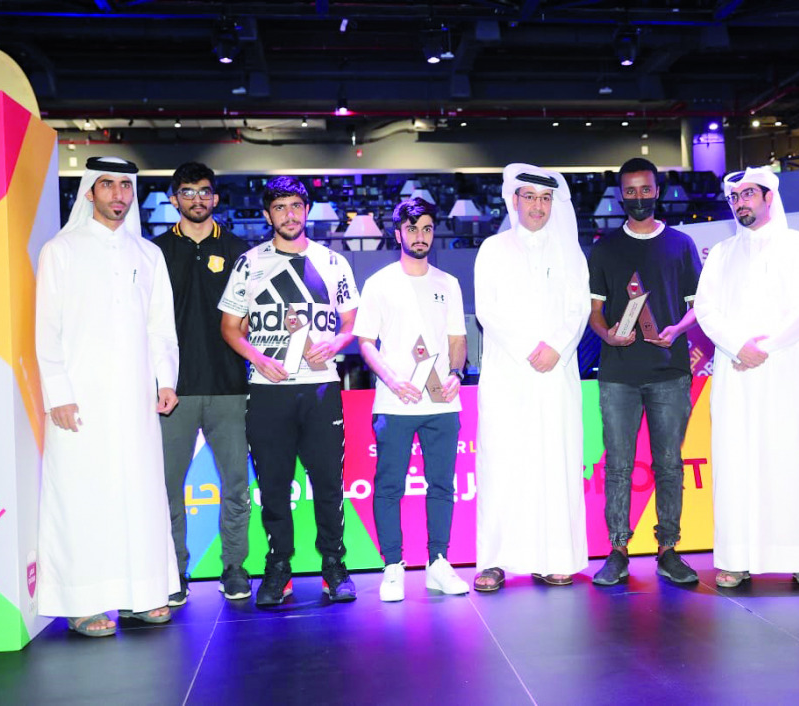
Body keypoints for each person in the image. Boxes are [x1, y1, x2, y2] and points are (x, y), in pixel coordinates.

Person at [34, 156, 180, 637]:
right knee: (83, 496)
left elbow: (161, 327)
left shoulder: (148, 254)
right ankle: (83, 602)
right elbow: (46, 328)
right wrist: (58, 393)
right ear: (89, 192)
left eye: (125, 185)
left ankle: (143, 595)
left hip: (136, 400)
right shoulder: (61, 250)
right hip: (80, 400)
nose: (118, 194)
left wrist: (165, 380)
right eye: (108, 185)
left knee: (140, 496)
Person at [219, 176, 360, 605]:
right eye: (280, 207)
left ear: (307, 210)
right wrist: (257, 359)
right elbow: (230, 327)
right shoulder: (249, 264)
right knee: (274, 486)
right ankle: (278, 567)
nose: (289, 214)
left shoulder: (333, 262)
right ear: (268, 215)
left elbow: (351, 322)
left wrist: (336, 343)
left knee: (328, 483)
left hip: (320, 389)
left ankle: (334, 565)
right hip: (269, 390)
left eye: (296, 205)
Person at [695, 167, 799, 589]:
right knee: (735, 462)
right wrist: (738, 346)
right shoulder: (721, 254)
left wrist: (762, 349)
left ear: (769, 197)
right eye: (734, 197)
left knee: (788, 459)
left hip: (784, 370)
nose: (740, 203)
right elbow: (706, 309)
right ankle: (736, 559)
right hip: (735, 373)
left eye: (748, 194)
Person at [473, 163, 591, 591]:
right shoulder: (493, 248)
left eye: (545, 199)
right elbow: (487, 309)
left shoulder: (570, 252)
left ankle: (555, 558)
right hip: (509, 374)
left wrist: (556, 347)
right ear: (514, 201)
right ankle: (496, 561)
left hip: (556, 374)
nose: (538, 206)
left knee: (555, 463)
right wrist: (530, 348)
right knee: (503, 462)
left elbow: (579, 308)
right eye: (530, 198)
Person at [587, 157, 702, 586]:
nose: (639, 197)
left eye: (645, 189)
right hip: (618, 375)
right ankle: (618, 550)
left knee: (669, 465)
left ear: (658, 191)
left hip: (670, 372)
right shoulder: (604, 248)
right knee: (618, 467)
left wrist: (677, 330)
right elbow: (594, 312)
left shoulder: (681, 244)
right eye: (630, 191)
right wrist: (608, 335)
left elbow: (698, 307)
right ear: (621, 195)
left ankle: (668, 549)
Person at [354, 197, 470, 602]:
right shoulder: (379, 283)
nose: (420, 236)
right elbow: (365, 342)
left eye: (427, 229)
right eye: (412, 228)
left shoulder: (448, 283)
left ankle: (438, 562)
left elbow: (457, 339)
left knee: (441, 485)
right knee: (389, 486)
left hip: (442, 401)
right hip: (395, 401)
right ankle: (392, 567)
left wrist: (456, 374)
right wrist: (392, 379)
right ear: (398, 232)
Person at [152, 162, 252, 604]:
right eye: (188, 192)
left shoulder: (239, 251)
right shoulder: (153, 252)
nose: (197, 199)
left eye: (205, 191)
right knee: (167, 488)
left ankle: (234, 567)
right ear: (174, 198)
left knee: (236, 484)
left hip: (230, 386)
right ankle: (174, 571)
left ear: (216, 197)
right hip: (172, 390)